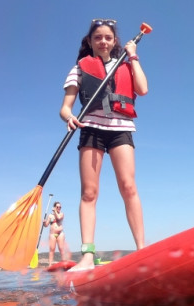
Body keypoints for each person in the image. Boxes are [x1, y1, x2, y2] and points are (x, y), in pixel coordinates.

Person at [59, 19, 149, 271]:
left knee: (129, 186)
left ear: (114, 41)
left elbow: (142, 89)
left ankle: (142, 250)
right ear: (90, 42)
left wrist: (133, 57)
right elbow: (65, 108)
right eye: (98, 37)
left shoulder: (127, 64)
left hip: (120, 129)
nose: (103, 41)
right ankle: (87, 255)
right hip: (91, 129)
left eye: (108, 37)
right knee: (89, 192)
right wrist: (69, 117)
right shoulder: (79, 68)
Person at [42, 201, 70, 266]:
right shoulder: (50, 216)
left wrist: (55, 211)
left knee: (61, 248)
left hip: (60, 233)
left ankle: (64, 263)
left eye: (60, 207)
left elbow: (59, 218)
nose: (59, 208)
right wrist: (44, 222)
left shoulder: (61, 214)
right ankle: (50, 265)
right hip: (52, 234)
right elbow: (46, 225)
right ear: (54, 207)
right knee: (52, 249)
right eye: (57, 207)